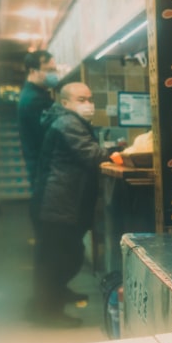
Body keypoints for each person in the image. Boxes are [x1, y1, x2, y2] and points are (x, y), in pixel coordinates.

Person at [27, 82, 110, 327]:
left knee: (59, 256)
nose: (89, 104)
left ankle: (54, 296)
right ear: (65, 103)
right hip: (57, 204)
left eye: (90, 99)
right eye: (81, 100)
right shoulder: (67, 123)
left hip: (58, 202)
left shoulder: (65, 120)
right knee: (59, 259)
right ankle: (48, 314)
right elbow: (91, 154)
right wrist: (118, 153)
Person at [17, 49, 57, 188]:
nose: (54, 74)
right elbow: (48, 136)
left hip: (41, 167)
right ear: (33, 71)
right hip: (44, 168)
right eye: (49, 70)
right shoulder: (34, 100)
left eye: (55, 70)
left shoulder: (34, 94)